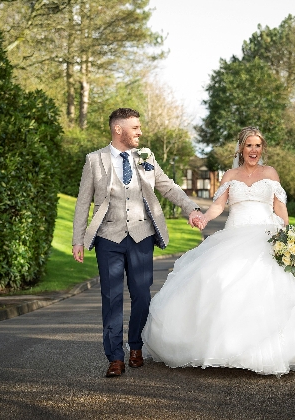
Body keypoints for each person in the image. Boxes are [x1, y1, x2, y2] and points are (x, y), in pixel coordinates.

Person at [141, 126, 295, 376]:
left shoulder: (270, 173)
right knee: (219, 280)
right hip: (234, 235)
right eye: (249, 145)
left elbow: (279, 207)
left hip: (266, 234)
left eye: (258, 146)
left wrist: (287, 231)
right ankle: (225, 347)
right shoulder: (230, 175)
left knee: (274, 288)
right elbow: (219, 205)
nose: (254, 150)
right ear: (241, 148)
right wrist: (204, 218)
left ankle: (274, 351)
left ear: (262, 149)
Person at [72, 108, 204, 377]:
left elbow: (167, 186)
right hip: (109, 236)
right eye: (135, 128)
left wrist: (191, 208)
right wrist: (78, 239)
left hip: (141, 236)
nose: (140, 132)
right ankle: (115, 358)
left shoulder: (146, 157)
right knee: (111, 298)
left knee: (142, 295)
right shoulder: (94, 160)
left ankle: (136, 346)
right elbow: (83, 201)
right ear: (118, 129)